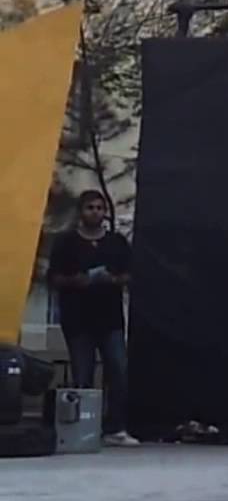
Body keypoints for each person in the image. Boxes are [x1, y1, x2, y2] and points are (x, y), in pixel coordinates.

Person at [48, 190, 139, 447]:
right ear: (81, 211)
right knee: (83, 375)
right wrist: (76, 281)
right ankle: (83, 429)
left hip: (110, 319)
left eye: (99, 208)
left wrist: (113, 279)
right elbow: (53, 278)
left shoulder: (116, 242)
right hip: (78, 319)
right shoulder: (66, 242)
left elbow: (130, 274)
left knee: (118, 371)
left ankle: (116, 428)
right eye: (90, 208)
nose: (95, 212)